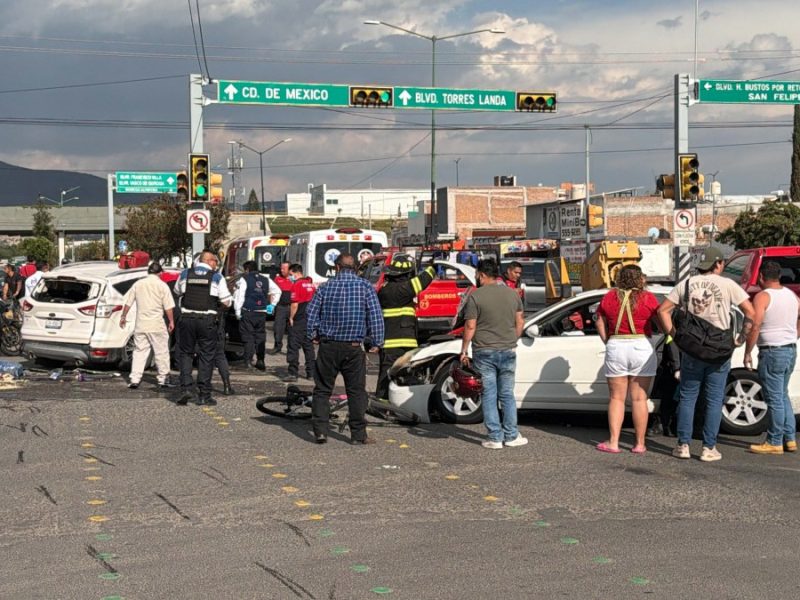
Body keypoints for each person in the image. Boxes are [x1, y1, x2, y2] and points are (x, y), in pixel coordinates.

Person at [658, 247, 755, 462]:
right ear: (718, 264)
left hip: (692, 349)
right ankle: (708, 447)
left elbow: (662, 310)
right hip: (720, 349)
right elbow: (751, 313)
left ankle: (683, 445)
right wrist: (740, 338)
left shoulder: (686, 284)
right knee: (713, 399)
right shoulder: (729, 285)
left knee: (688, 396)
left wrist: (675, 336)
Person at [306, 253, 384, 445]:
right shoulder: (365, 287)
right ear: (356, 268)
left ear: (337, 268)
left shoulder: (325, 287)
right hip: (353, 348)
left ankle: (320, 432)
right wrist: (377, 342)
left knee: (323, 390)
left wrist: (313, 334)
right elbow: (375, 316)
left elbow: (310, 314)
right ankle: (358, 435)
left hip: (328, 346)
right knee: (356, 392)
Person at [460, 259, 526, 449]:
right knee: (507, 393)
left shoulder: (476, 296)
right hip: (508, 349)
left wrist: (464, 350)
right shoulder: (512, 294)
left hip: (484, 351)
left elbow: (470, 325)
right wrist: (512, 339)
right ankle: (512, 435)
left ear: (481, 275)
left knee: (489, 393)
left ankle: (495, 438)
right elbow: (520, 322)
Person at [594, 265, 661, 454]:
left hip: (617, 344)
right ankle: (640, 443)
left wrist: (607, 340)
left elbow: (600, 320)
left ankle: (613, 442)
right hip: (641, 345)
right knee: (640, 399)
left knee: (617, 397)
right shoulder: (648, 297)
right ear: (640, 279)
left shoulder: (609, 297)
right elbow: (659, 319)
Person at [744, 261, 800, 454]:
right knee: (782, 395)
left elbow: (755, 324)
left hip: (772, 350)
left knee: (774, 398)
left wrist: (748, 350)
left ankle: (775, 441)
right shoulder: (791, 295)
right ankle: (790, 438)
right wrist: (793, 335)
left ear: (761, 277)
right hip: (790, 348)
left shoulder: (763, 297)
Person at [173, 251, 232, 406]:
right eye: (215, 261)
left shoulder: (185, 274)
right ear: (209, 261)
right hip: (207, 321)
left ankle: (186, 388)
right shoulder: (216, 277)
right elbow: (227, 301)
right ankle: (204, 394)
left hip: (186, 319)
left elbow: (177, 292)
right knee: (207, 356)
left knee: (186, 354)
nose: (216, 264)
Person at [375, 254, 435, 399]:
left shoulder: (385, 289)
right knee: (404, 373)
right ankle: (398, 401)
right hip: (404, 342)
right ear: (407, 274)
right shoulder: (404, 288)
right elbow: (424, 279)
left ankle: (382, 401)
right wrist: (433, 266)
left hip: (388, 342)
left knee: (386, 373)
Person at [120, 262, 176, 389]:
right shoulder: (162, 285)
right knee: (161, 352)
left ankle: (134, 379)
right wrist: (171, 321)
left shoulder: (138, 284)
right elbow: (168, 307)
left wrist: (123, 317)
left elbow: (128, 302)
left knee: (139, 351)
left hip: (141, 324)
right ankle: (163, 379)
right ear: (160, 273)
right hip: (156, 324)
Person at [233, 260, 280, 371]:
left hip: (248, 312)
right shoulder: (266, 279)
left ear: (247, 269)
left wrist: (237, 312)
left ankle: (248, 361)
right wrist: (272, 305)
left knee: (248, 337)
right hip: (261, 313)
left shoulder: (244, 279)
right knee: (260, 337)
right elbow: (278, 291)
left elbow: (240, 297)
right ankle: (260, 360)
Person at [285, 263, 316, 382]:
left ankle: (293, 373)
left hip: (298, 319)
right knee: (308, 347)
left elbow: (294, 304)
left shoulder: (296, 285)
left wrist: (291, 318)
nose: (290, 277)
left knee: (293, 346)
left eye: (291, 274)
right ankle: (311, 373)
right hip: (309, 319)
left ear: (296, 273)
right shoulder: (310, 284)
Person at [269, 262, 293, 355]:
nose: (282, 270)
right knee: (278, 328)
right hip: (280, 307)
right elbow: (272, 292)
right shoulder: (277, 279)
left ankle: (291, 349)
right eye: (281, 268)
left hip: (291, 307)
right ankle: (277, 346)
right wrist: (271, 306)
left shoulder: (294, 279)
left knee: (292, 329)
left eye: (284, 269)